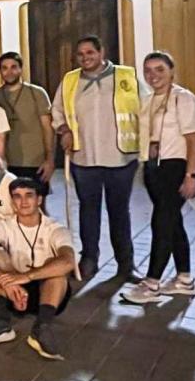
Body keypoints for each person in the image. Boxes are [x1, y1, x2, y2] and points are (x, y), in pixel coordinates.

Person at [51, 35, 140, 281]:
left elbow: (146, 108)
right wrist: (64, 130)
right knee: (89, 212)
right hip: (85, 158)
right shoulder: (70, 80)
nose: (85, 58)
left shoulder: (126, 77)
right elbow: (57, 110)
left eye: (90, 52)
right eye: (80, 54)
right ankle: (89, 258)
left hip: (121, 158)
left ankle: (126, 263)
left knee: (119, 212)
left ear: (101, 53)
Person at [121, 52, 195, 304]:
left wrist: (191, 175)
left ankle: (152, 283)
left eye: (159, 69)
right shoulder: (147, 100)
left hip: (176, 167)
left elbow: (193, 139)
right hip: (154, 168)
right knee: (171, 221)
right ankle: (184, 279)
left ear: (171, 71)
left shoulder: (184, 98)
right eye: (148, 70)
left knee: (161, 223)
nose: (153, 75)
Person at [0, 178, 76, 361]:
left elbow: (68, 261)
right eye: (17, 197)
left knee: (57, 270)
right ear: (12, 202)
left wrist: (27, 276)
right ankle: (1, 323)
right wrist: (7, 281)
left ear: (39, 200)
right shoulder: (3, 226)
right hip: (14, 292)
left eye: (29, 196)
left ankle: (41, 328)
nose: (23, 201)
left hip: (48, 296)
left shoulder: (55, 228)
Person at [0, 52, 55, 200]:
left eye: (13, 67)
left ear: (21, 69)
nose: (9, 72)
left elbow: (48, 129)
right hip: (6, 162)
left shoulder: (37, 93)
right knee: (9, 204)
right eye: (5, 68)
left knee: (38, 206)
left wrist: (50, 159)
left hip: (35, 161)